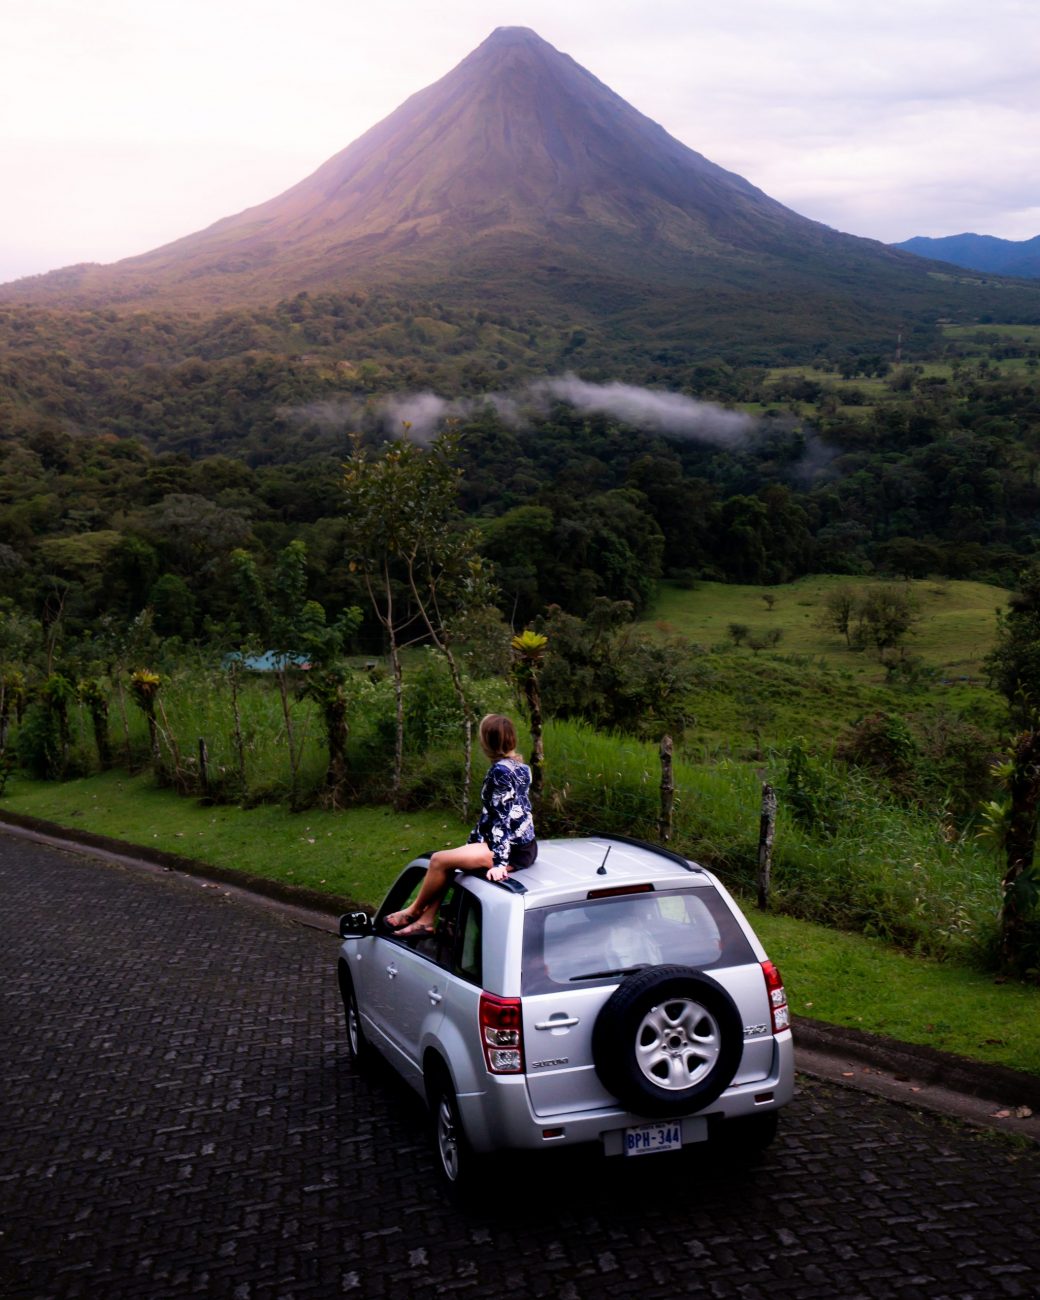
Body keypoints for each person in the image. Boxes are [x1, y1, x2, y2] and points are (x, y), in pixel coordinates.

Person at [386, 713, 537, 936]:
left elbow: (503, 818)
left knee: (438, 860)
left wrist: (499, 863)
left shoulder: (500, 772)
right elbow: (510, 813)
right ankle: (427, 920)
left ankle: (414, 910)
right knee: (450, 864)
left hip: (510, 851)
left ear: (487, 742)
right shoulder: (521, 767)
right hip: (523, 845)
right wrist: (474, 842)